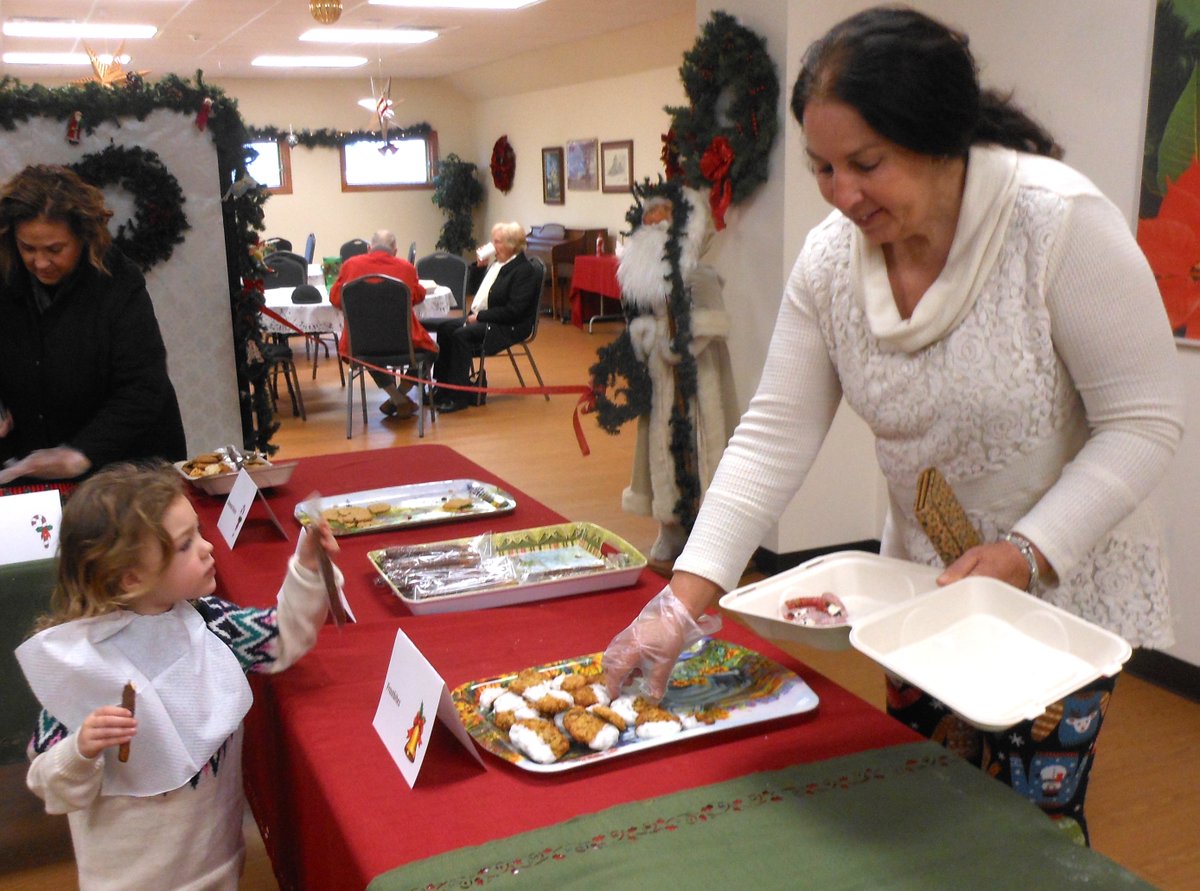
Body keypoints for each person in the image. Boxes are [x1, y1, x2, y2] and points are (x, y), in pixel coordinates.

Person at [601, 6, 1184, 843]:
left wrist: (1026, 550)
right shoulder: (832, 261)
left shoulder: (1056, 226)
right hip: (924, 587)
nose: (841, 195)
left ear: (940, 135)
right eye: (824, 167)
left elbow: (1145, 421)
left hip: (1060, 586)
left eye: (865, 164)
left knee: (1026, 831)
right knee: (922, 810)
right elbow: (774, 433)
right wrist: (683, 600)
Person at [15, 461, 342, 888]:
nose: (208, 548)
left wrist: (307, 567)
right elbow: (48, 783)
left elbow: (282, 638)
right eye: (186, 544)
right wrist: (81, 749)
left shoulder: (209, 623)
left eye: (198, 534)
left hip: (216, 863)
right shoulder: (81, 666)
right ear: (131, 577)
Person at [0, 165, 186, 485]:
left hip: (124, 466)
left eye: (55, 249)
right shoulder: (4, 276)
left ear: (84, 237)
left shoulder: (118, 281)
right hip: (28, 464)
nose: (40, 263)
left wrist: (82, 452)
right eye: (27, 248)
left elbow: (143, 387)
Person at [591, 182, 738, 563]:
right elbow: (643, 318)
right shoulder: (645, 278)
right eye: (649, 213)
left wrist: (677, 341)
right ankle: (669, 527)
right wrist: (644, 337)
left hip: (694, 381)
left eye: (663, 214)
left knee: (697, 450)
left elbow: (709, 324)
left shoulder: (697, 275)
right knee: (661, 451)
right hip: (659, 380)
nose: (653, 220)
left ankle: (705, 535)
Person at [429, 222, 541, 413]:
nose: (492, 246)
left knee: (460, 335)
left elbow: (514, 311)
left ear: (511, 245)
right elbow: (477, 292)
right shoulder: (498, 264)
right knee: (445, 329)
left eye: (496, 242)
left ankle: (459, 396)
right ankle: (442, 387)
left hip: (507, 325)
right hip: (486, 317)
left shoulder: (523, 270)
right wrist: (480, 268)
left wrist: (481, 316)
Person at [329, 229, 435, 420]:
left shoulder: (350, 265)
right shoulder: (406, 268)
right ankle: (400, 396)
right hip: (403, 342)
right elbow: (417, 296)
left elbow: (336, 299)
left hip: (360, 344)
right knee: (432, 350)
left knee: (368, 353)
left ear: (369, 249)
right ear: (395, 251)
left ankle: (397, 399)